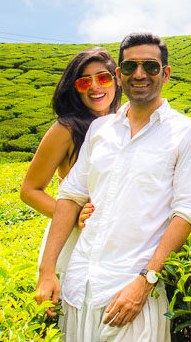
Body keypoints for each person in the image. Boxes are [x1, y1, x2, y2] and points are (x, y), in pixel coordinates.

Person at [35, 32, 191, 341]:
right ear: (119, 75)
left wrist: (145, 281)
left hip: (130, 295)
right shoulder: (101, 130)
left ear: (165, 74)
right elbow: (70, 197)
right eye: (130, 67)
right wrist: (48, 271)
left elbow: (186, 214)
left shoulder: (186, 133)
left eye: (150, 67)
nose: (139, 74)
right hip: (78, 291)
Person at [20, 47, 122, 281]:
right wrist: (72, 217)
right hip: (76, 237)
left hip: (114, 235)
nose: (95, 87)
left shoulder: (121, 123)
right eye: (84, 83)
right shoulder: (66, 129)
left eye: (103, 78)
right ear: (75, 89)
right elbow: (30, 190)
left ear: (116, 80)